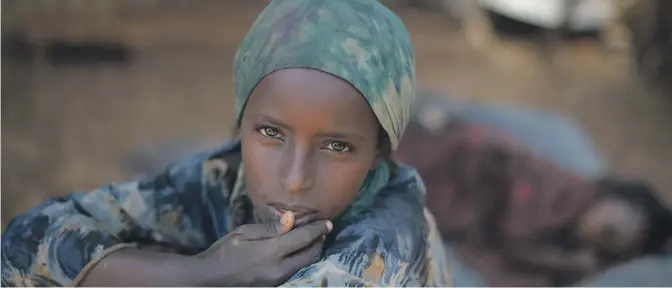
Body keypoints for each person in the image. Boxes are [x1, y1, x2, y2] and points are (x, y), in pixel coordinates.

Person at [0, 0, 451, 286]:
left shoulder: (382, 250)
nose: (294, 181)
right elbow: (27, 238)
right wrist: (201, 272)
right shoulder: (224, 177)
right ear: (241, 123)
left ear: (379, 152)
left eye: (337, 147)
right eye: (271, 133)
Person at [394, 94, 672, 286]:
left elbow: (513, 257)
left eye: (606, 240)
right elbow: (514, 166)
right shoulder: (570, 187)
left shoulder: (567, 256)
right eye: (610, 227)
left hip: (454, 206)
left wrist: (574, 263)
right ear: (619, 198)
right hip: (464, 163)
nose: (599, 230)